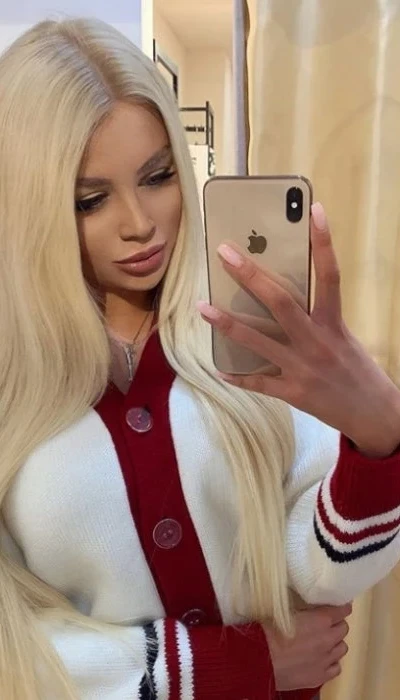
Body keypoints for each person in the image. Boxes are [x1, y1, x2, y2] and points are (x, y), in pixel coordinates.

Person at [0, 16, 399, 700]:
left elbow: (323, 574)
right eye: (90, 200)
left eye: (158, 176)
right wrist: (224, 666)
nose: (139, 224)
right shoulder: (14, 382)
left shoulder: (243, 335)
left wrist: (378, 438)